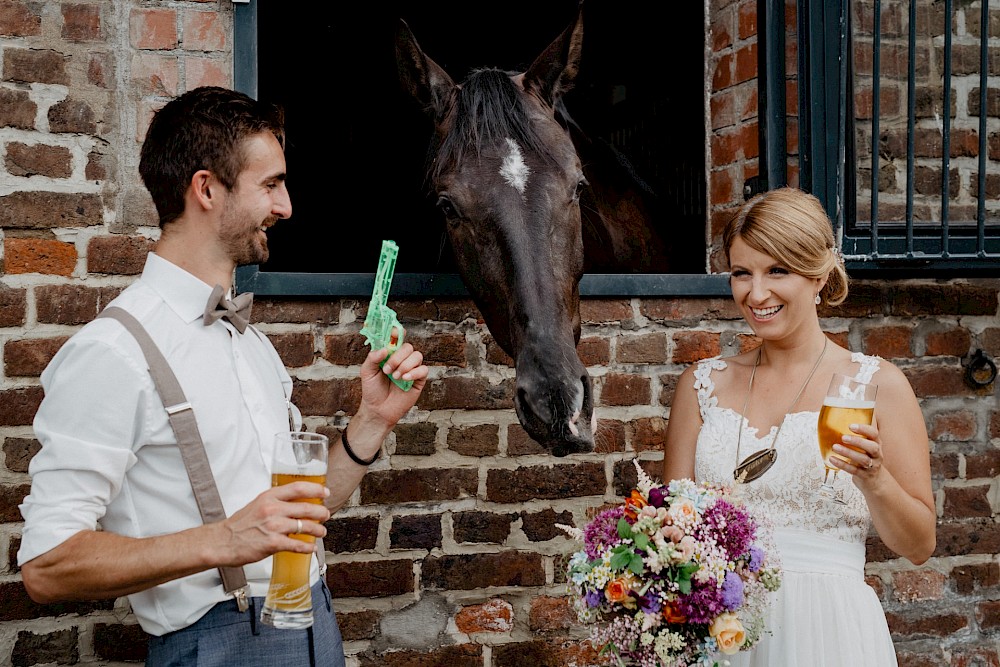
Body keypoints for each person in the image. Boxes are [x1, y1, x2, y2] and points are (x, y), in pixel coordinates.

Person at [17, 86, 429, 666]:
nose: (286, 207)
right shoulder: (114, 352)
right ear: (206, 188)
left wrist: (371, 422)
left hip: (315, 631)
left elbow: (297, 515)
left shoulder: (250, 342)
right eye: (271, 184)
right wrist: (223, 540)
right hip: (215, 647)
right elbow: (46, 565)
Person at [663, 187, 935, 666]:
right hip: (724, 634)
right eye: (742, 273)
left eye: (777, 271)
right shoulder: (701, 385)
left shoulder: (876, 385)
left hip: (829, 630)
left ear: (819, 274)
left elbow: (918, 546)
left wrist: (875, 478)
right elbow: (669, 533)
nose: (756, 293)